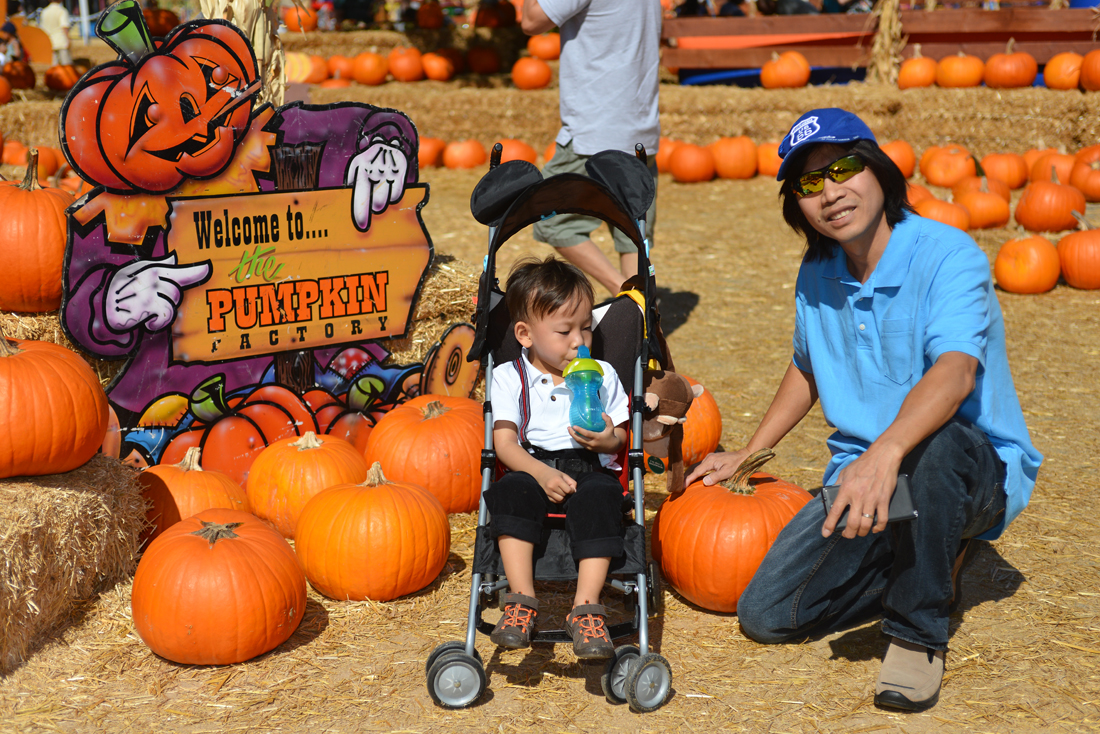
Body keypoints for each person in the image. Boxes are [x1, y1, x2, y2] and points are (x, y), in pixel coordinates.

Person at [685, 108, 1041, 711]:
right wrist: (749, 451)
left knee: (938, 446)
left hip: (965, 469)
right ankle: (926, 548)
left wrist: (885, 452)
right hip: (864, 477)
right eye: (807, 183)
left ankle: (917, 631)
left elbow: (955, 374)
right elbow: (807, 367)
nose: (829, 193)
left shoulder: (948, 254)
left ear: (878, 171)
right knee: (768, 612)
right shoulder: (817, 272)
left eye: (843, 168)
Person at [485, 256, 630, 659]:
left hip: (587, 464)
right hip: (530, 463)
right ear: (525, 334)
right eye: (565, 330)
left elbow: (619, 435)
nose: (578, 340)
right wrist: (538, 473)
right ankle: (520, 600)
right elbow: (505, 444)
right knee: (510, 490)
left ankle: (585, 609)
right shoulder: (510, 375)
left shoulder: (602, 373)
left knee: (603, 496)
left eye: (586, 327)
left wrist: (607, 440)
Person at [521, 0, 661, 295]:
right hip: (639, 126)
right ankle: (642, 330)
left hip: (596, 131)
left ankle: (626, 295)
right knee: (632, 239)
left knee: (549, 217)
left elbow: (532, 21)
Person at [38, 0, 71, 66]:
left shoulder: (44, 11)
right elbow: (64, 27)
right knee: (67, 67)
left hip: (49, 42)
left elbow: (42, 28)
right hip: (61, 42)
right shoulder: (62, 10)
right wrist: (68, 39)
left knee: (54, 68)